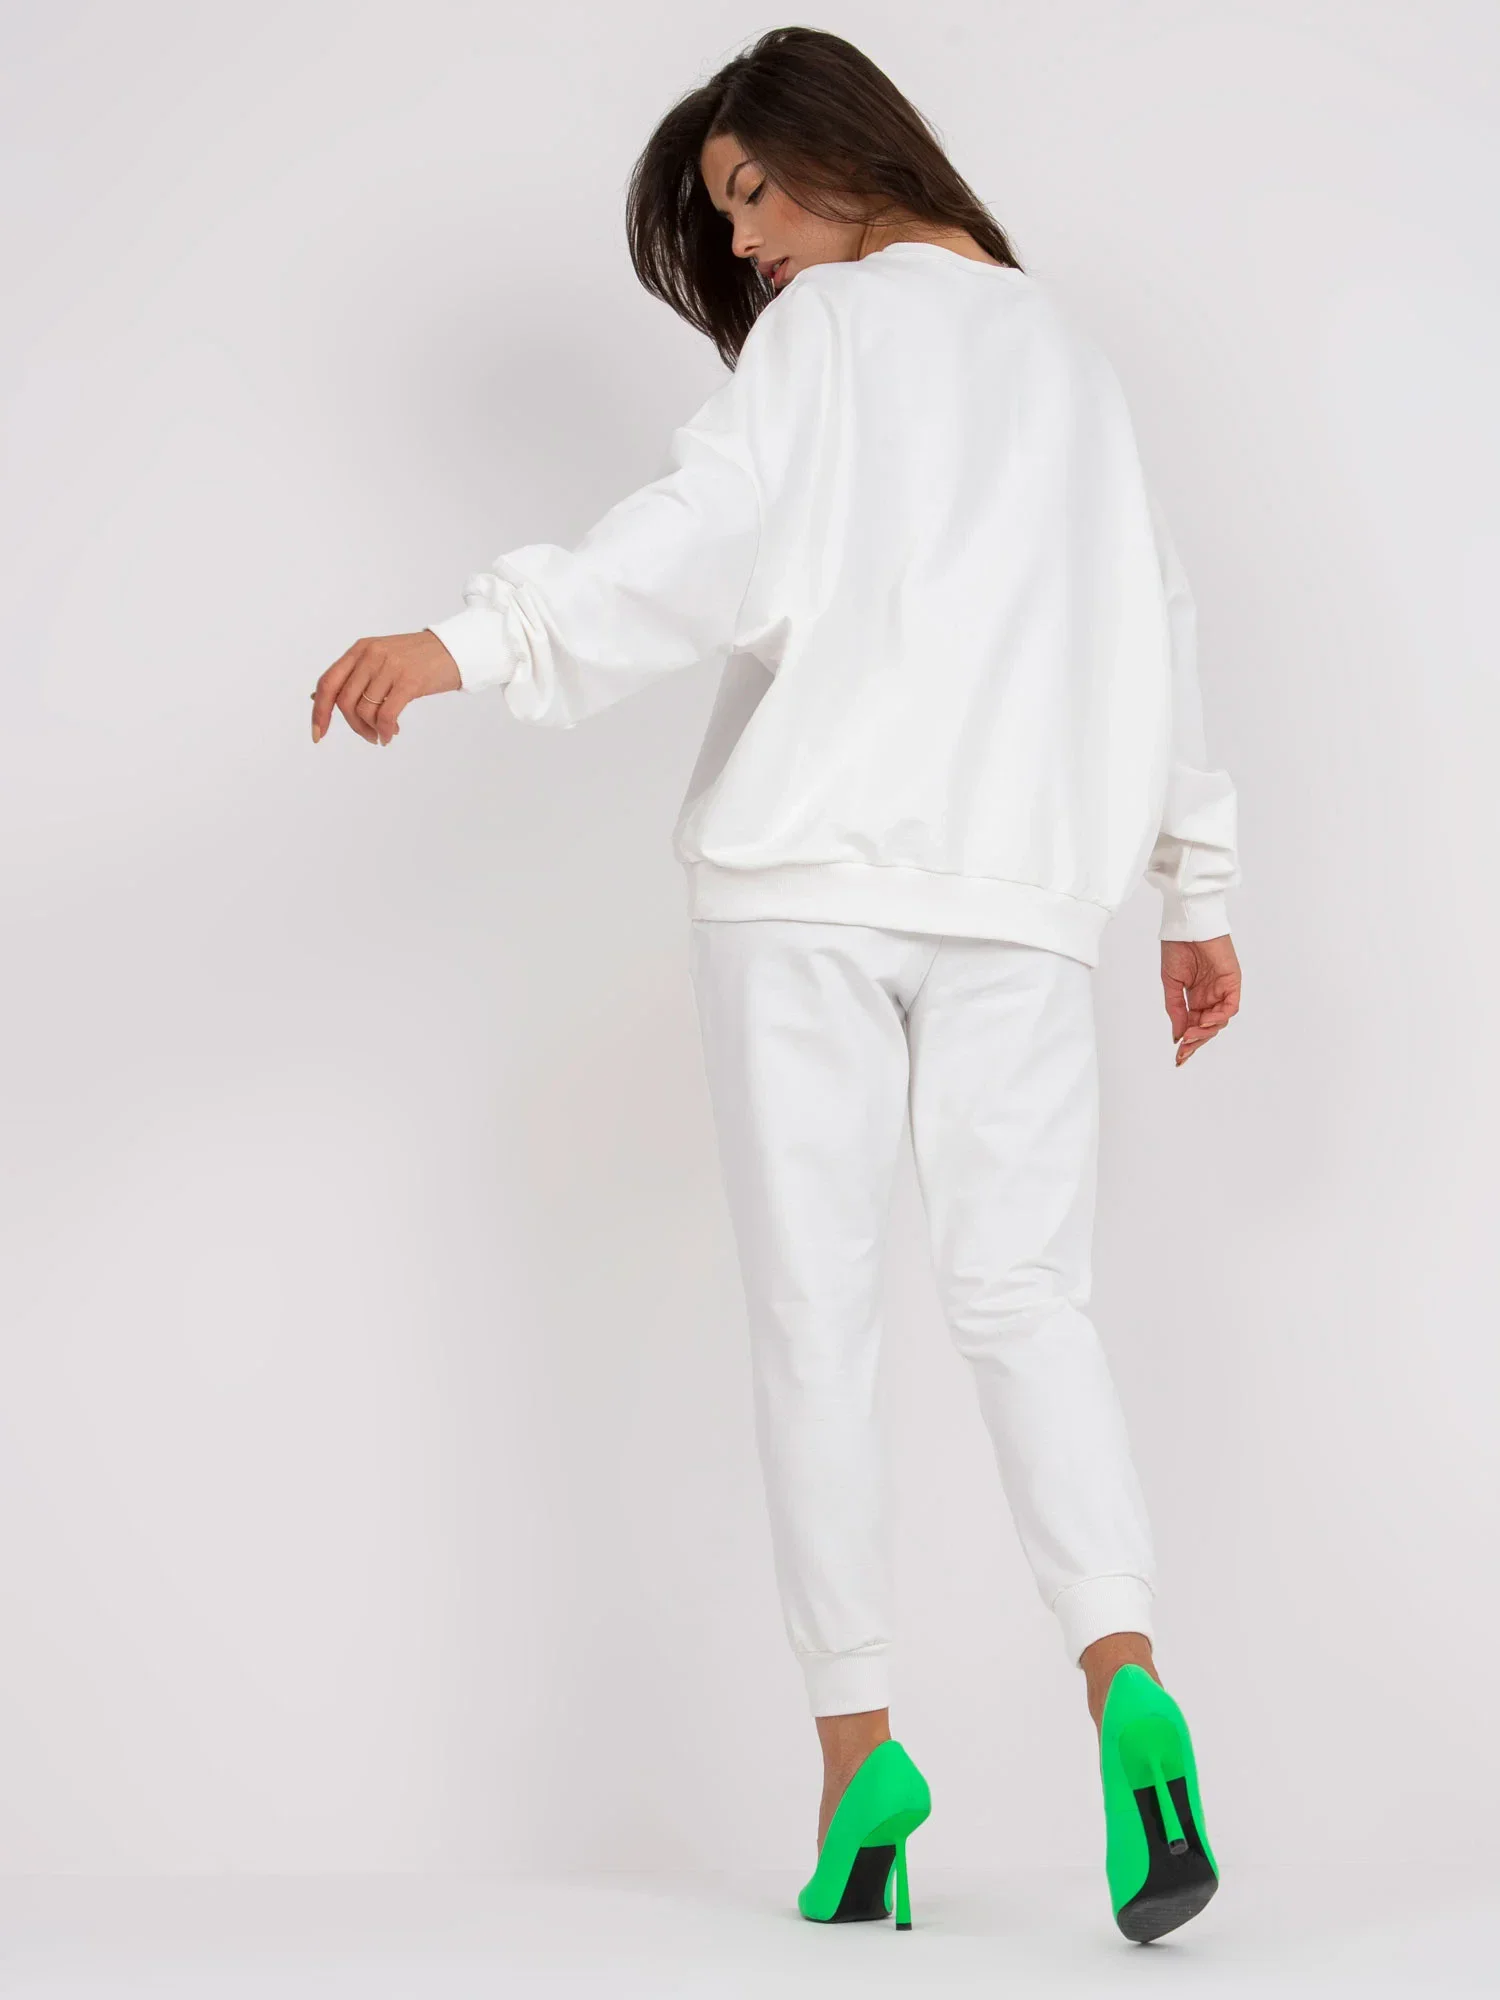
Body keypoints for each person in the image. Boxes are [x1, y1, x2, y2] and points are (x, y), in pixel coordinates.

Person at [311, 25, 1239, 1945]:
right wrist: (1195, 892)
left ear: (844, 148)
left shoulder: (828, 338)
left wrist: (468, 639)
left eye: (749, 196)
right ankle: (1128, 1682)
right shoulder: (1072, 359)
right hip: (1020, 904)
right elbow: (1155, 622)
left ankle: (859, 1770)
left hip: (801, 891)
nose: (743, 247)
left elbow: (696, 539)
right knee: (1028, 1302)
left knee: (820, 1326)